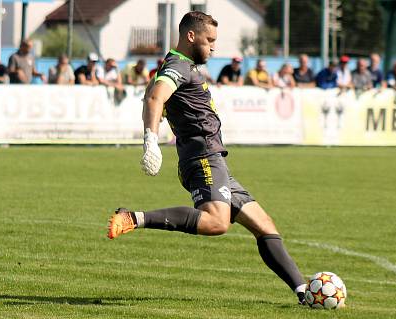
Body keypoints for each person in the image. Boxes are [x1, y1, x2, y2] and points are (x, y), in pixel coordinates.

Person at [106, 11, 309, 306]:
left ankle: (305, 292)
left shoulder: (184, 66)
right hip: (202, 158)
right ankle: (133, 217)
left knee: (264, 225)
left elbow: (152, 94)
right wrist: (151, 140)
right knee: (217, 223)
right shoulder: (177, 65)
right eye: (210, 40)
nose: (214, 47)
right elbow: (154, 98)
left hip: (214, 160)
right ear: (191, 36)